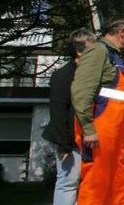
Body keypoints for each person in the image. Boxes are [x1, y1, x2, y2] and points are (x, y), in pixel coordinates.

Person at [71, 15, 124, 204]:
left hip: (115, 130)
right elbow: (81, 92)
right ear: (122, 33)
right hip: (99, 128)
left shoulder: (114, 56)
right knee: (96, 182)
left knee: (117, 180)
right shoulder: (98, 51)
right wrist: (88, 129)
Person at [43, 28, 96, 205]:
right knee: (68, 183)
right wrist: (64, 145)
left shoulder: (92, 75)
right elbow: (58, 111)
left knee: (85, 183)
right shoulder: (63, 76)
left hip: (87, 137)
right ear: (79, 50)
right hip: (69, 139)